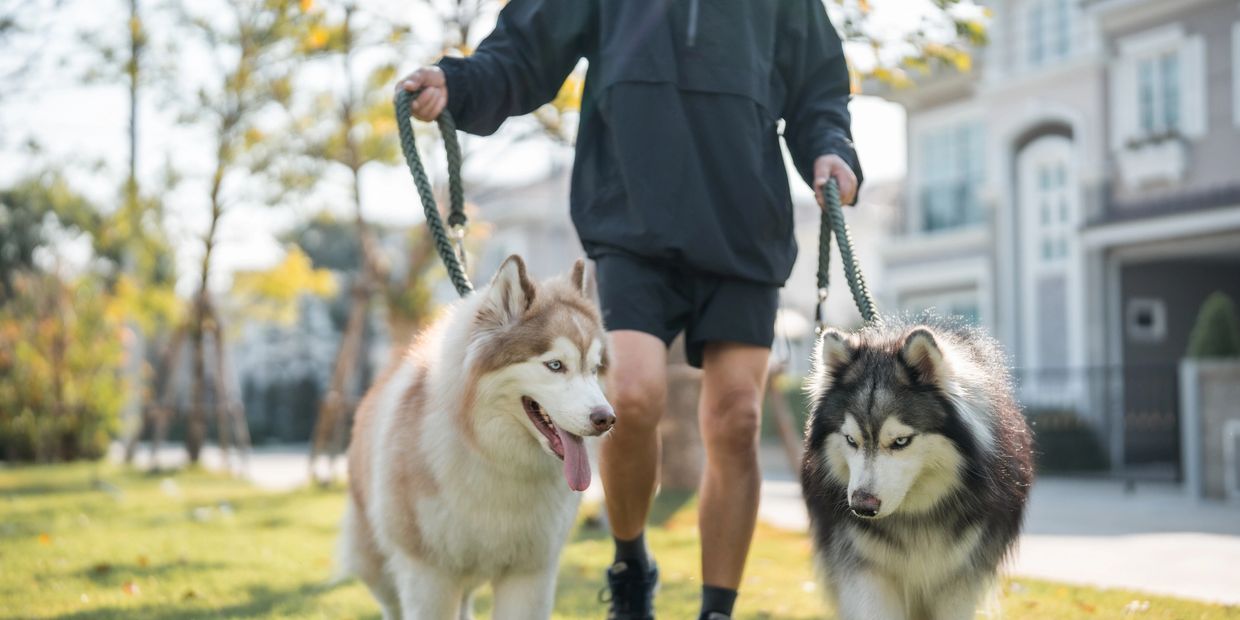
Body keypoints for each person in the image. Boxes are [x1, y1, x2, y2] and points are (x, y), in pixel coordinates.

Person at [398, 1, 860, 618]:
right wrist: (459, 83)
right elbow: (526, 48)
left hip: (744, 226)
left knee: (736, 418)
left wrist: (831, 149)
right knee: (632, 395)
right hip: (632, 220)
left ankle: (717, 608)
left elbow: (818, 86)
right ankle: (631, 564)